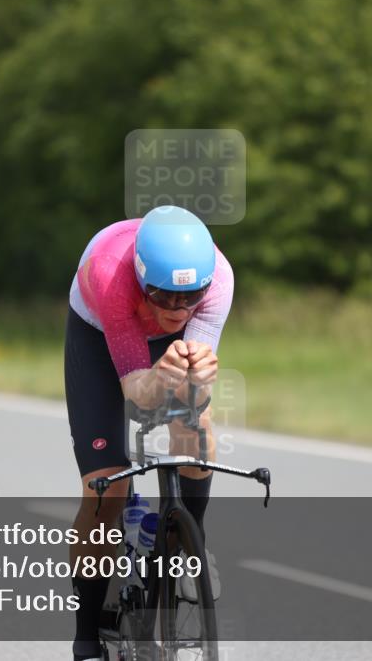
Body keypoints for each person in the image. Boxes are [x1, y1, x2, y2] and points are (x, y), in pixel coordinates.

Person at [63, 205, 233, 661]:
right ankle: (86, 638)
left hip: (151, 333)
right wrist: (160, 376)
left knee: (195, 415)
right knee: (106, 490)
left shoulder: (218, 280)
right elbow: (139, 396)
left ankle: (190, 541)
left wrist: (196, 381)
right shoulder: (111, 277)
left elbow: (188, 399)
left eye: (190, 297)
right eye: (165, 297)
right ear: (142, 281)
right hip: (100, 333)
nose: (178, 310)